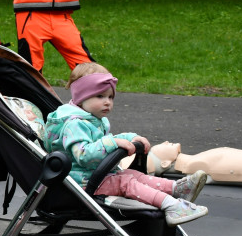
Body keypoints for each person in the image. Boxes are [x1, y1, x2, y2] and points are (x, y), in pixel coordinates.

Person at [43, 62, 209, 226]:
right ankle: (172, 206)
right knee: (126, 183)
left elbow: (103, 141)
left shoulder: (91, 119)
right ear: (81, 97)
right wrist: (112, 143)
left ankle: (176, 188)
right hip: (80, 182)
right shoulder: (75, 124)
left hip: (95, 176)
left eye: (110, 97)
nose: (107, 102)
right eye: (100, 96)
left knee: (133, 175)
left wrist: (131, 137)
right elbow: (84, 155)